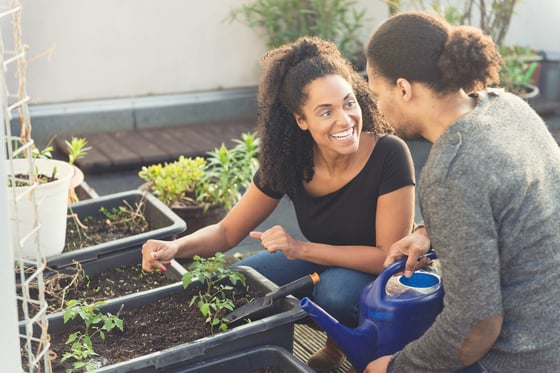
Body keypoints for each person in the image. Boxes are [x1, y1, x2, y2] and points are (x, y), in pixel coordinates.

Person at [142, 36, 416, 371]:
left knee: (335, 292)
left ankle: (349, 346)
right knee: (242, 280)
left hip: (377, 279)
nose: (345, 120)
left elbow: (387, 257)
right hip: (323, 261)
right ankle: (270, 349)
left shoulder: (389, 154)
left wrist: (300, 250)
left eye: (349, 103)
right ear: (301, 120)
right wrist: (174, 247)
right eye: (325, 111)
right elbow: (228, 231)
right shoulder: (291, 161)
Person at [363, 11, 560, 373]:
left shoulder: (450, 170)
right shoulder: (508, 107)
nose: (377, 107)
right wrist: (427, 231)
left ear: (403, 89)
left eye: (377, 94)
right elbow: (503, 201)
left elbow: (476, 328)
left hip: (520, 359)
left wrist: (394, 367)